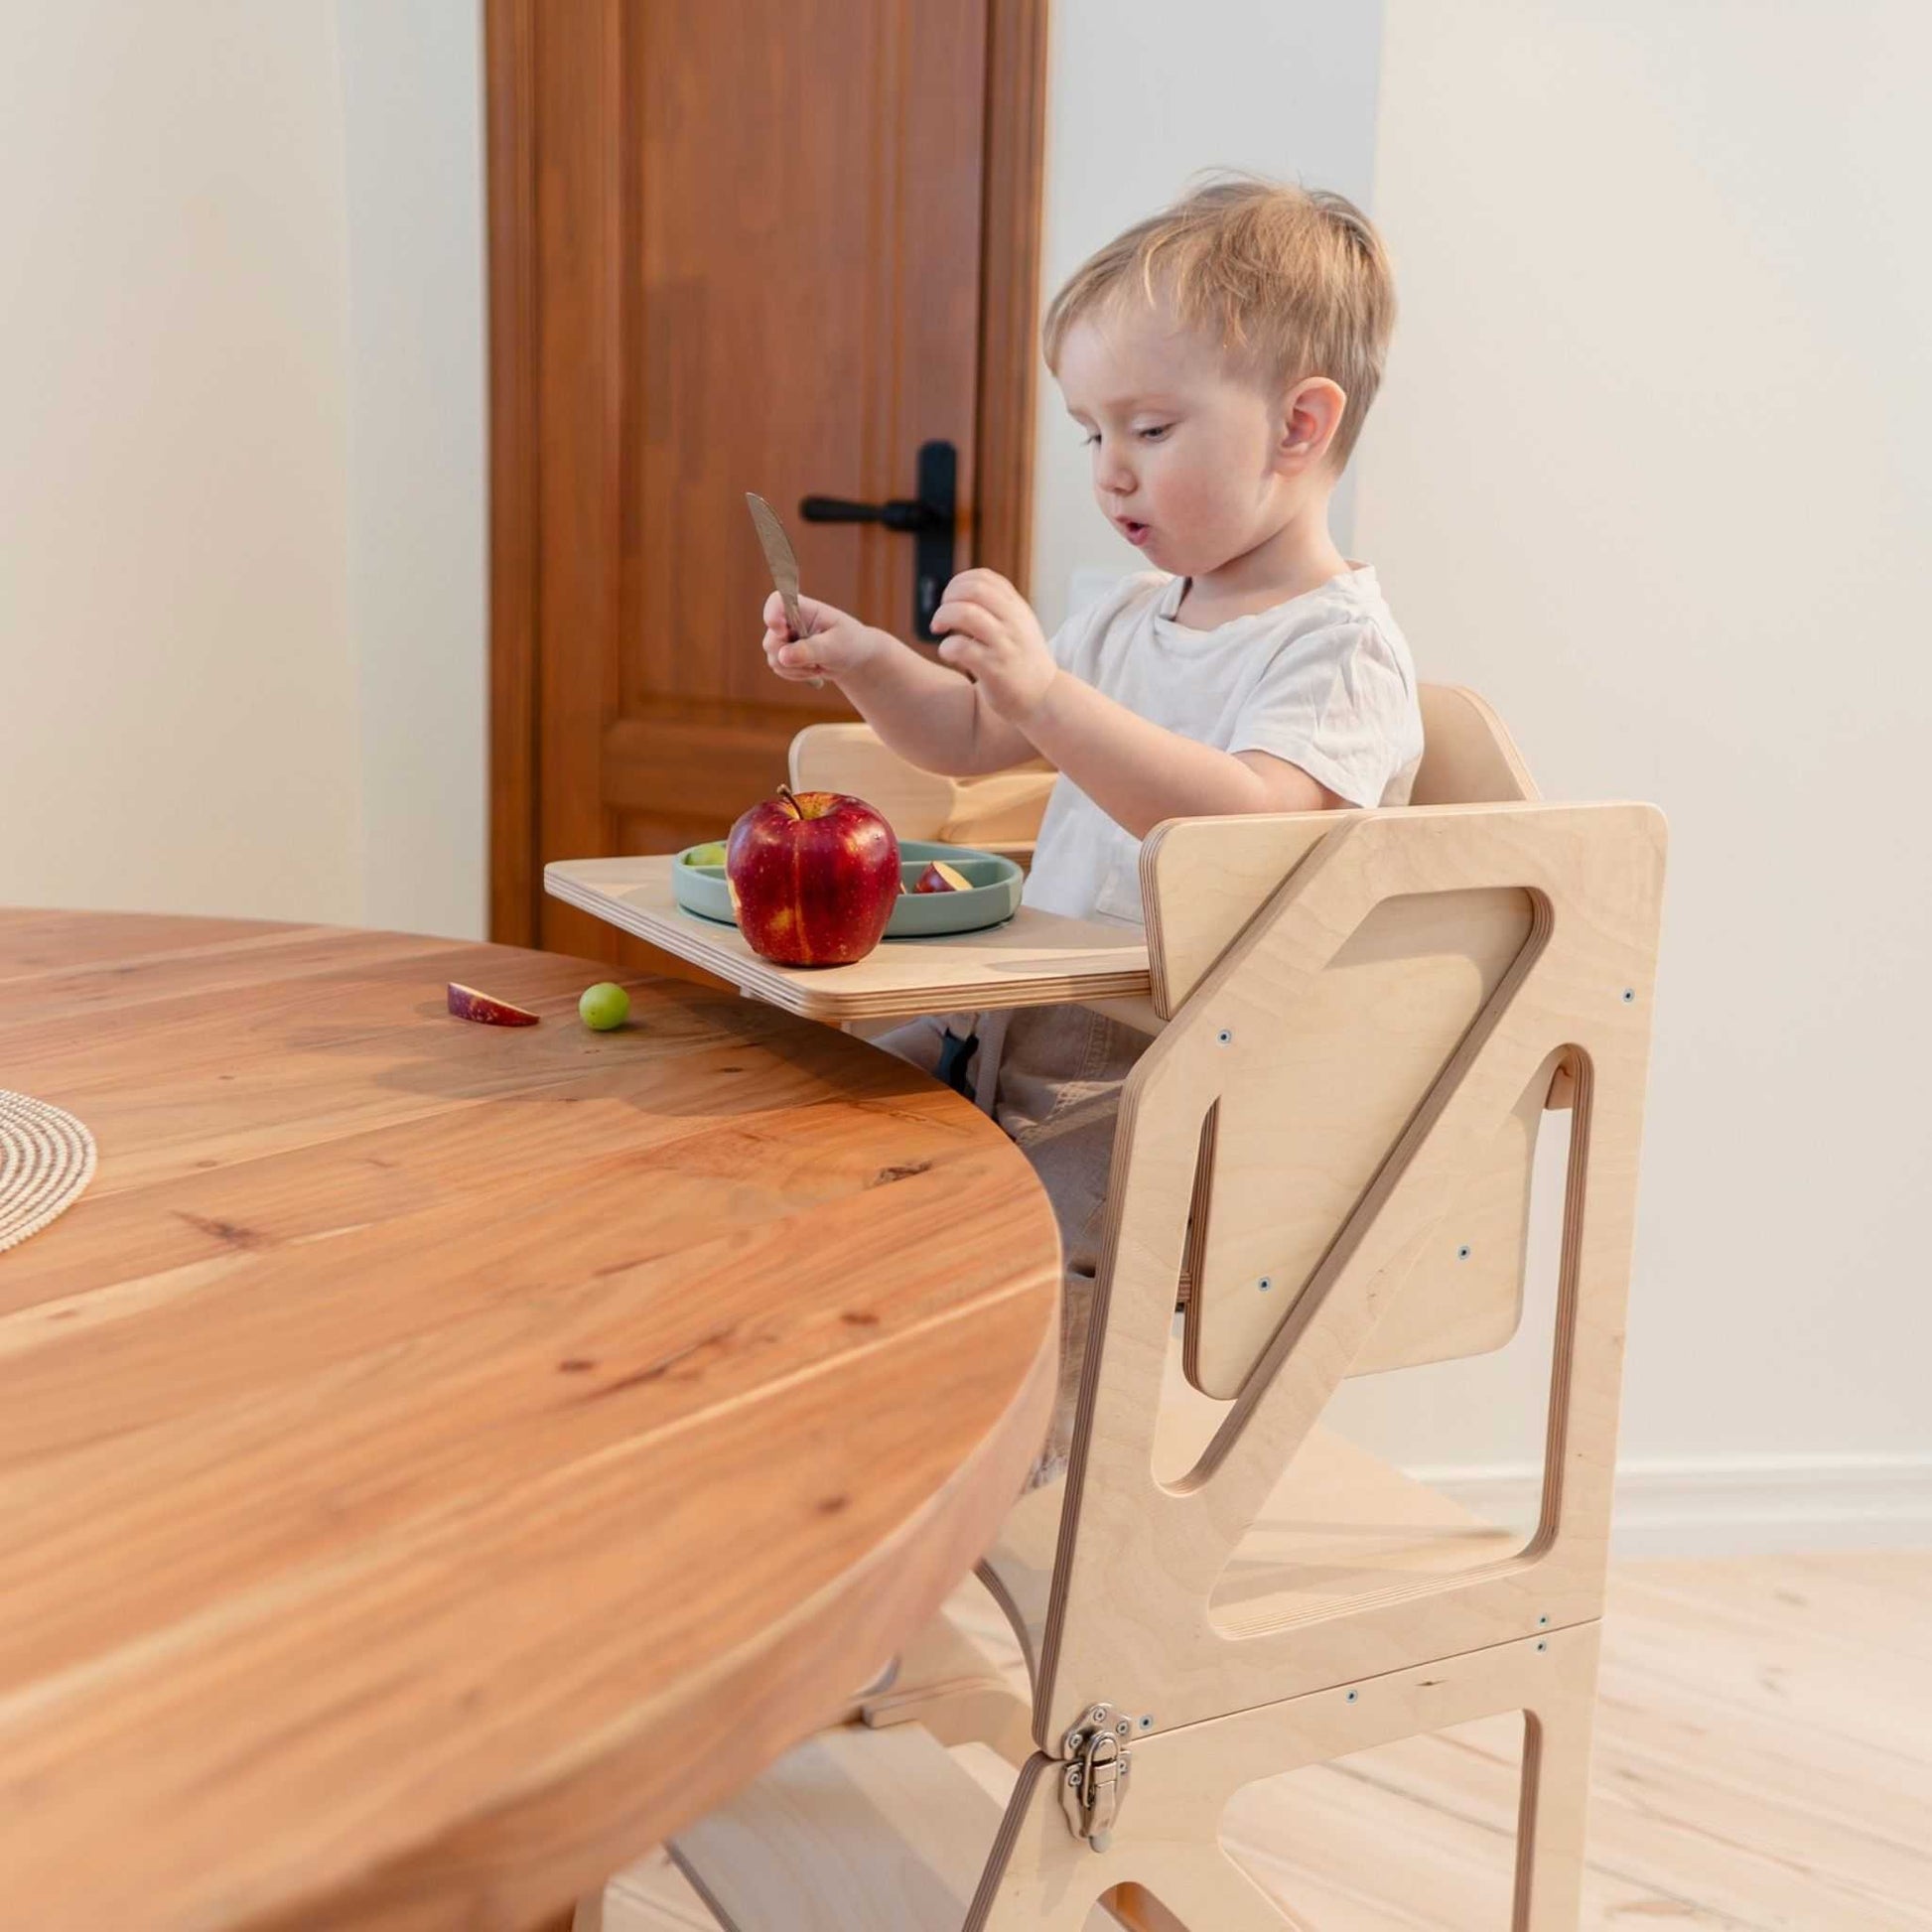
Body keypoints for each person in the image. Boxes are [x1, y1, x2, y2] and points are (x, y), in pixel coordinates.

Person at [759, 175, 1424, 1486]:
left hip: (1167, 1088)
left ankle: (976, 1521)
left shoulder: (1338, 650)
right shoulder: (1128, 617)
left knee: (1013, 1302)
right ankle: (816, 1484)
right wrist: (869, 660)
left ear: (1299, 425)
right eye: (1090, 432)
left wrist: (1048, 697)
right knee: (787, 1126)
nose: (1111, 469)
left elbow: (1242, 827)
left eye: (1151, 426)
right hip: (1015, 1035)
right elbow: (961, 741)